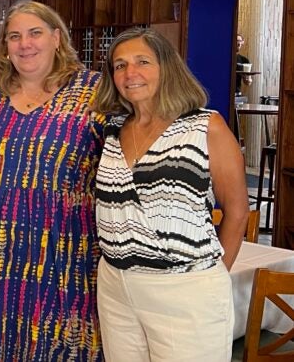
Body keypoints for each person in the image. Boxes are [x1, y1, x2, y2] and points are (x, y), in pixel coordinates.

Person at [92, 27, 247, 362]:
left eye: (142, 62)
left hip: (184, 289)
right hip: (116, 286)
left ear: (166, 67)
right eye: (119, 65)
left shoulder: (206, 126)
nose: (130, 73)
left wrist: (213, 275)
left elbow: (237, 210)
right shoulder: (113, 129)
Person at [0, 1, 105, 362]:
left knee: (60, 345)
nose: (24, 44)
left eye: (35, 33)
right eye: (14, 36)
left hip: (64, 250)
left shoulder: (94, 90)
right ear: (5, 46)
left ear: (57, 38)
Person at [235, 33, 252, 97]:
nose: (238, 43)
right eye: (236, 41)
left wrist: (247, 79)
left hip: (237, 94)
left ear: (242, 43)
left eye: (240, 41)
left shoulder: (244, 60)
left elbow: (248, 82)